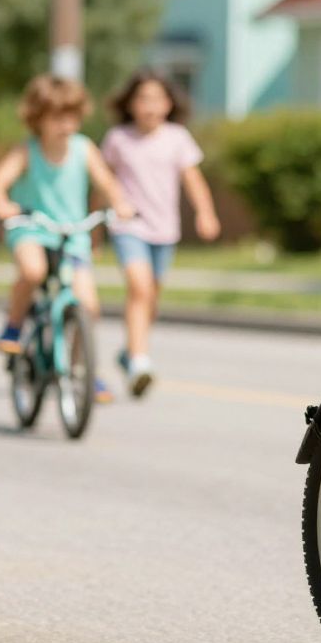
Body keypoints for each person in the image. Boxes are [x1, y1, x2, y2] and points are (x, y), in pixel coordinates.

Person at [0, 75, 137, 402]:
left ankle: (82, 368)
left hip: (73, 233)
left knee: (89, 306)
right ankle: (13, 324)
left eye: (73, 116)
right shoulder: (27, 151)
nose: (66, 124)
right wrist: (1, 204)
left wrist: (120, 203)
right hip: (32, 228)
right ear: (37, 118)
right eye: (57, 117)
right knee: (33, 271)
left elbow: (107, 184)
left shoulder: (84, 149)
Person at [102, 70, 221, 398]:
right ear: (130, 104)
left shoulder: (177, 137)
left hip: (164, 230)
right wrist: (99, 225)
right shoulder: (118, 139)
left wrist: (205, 212)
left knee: (150, 300)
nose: (150, 105)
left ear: (169, 104)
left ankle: (129, 352)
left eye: (157, 98)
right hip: (128, 226)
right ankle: (140, 362)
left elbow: (193, 180)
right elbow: (105, 182)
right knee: (138, 289)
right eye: (143, 98)